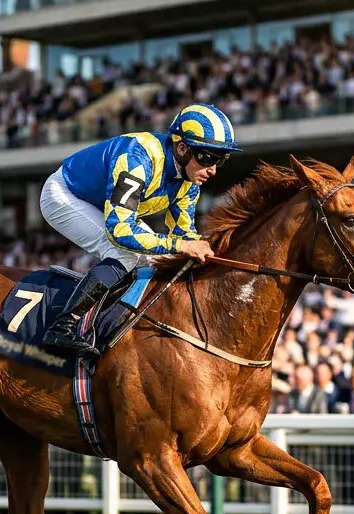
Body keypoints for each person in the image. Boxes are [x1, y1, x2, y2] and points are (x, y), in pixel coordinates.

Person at [38, 103, 241, 353]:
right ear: (182, 148)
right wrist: (182, 246)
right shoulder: (137, 158)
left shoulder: (189, 182)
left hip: (106, 205)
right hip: (65, 194)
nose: (213, 170)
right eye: (207, 158)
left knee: (155, 260)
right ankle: (63, 325)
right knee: (124, 253)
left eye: (220, 159)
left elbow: (184, 236)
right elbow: (121, 232)